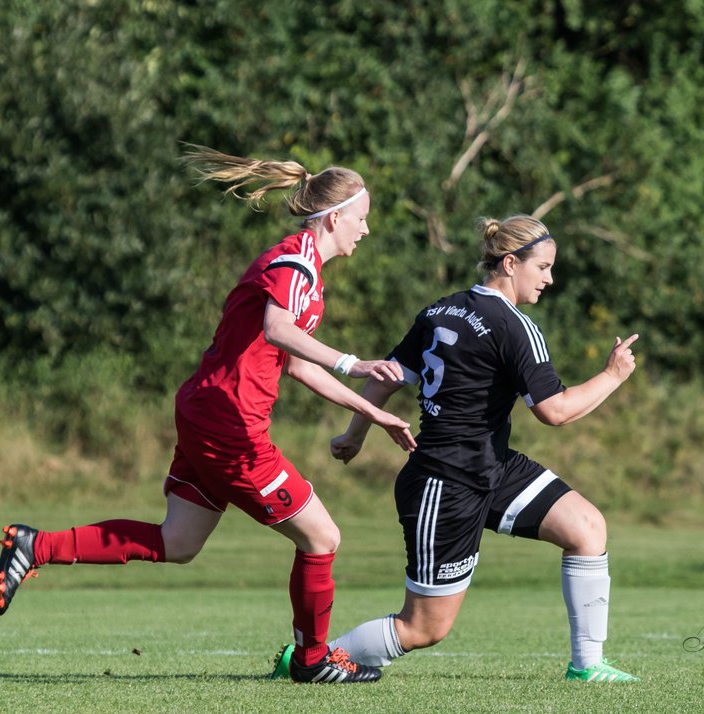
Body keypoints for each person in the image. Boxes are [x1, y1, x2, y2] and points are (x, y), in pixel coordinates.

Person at [0, 145, 416, 684]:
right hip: (230, 426)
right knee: (322, 538)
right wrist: (354, 364)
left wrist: (367, 412)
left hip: (206, 411)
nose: (367, 230)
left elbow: (293, 364)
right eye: (362, 218)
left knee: (179, 542)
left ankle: (35, 545)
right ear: (335, 218)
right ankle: (312, 661)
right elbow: (279, 330)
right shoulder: (295, 261)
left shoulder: (309, 277)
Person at [271, 214, 641, 683]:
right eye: (543, 267)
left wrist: (353, 435)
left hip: (493, 467)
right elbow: (556, 411)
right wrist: (611, 377)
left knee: (587, 527)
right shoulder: (514, 326)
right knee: (424, 628)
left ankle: (587, 668)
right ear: (510, 263)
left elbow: (387, 379)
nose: (549, 278)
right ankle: (309, 658)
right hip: (445, 483)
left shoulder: (440, 310)